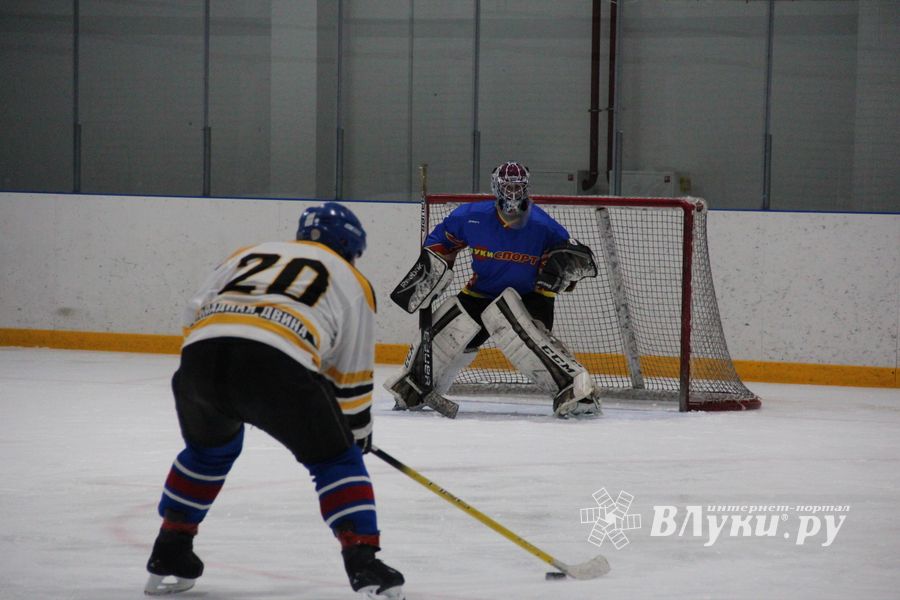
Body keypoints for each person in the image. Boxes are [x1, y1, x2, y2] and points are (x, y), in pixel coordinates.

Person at [144, 202, 405, 600]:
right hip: (276, 364)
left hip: (200, 358)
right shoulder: (352, 278)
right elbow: (350, 374)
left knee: (207, 452)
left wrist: (207, 364)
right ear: (352, 247)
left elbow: (194, 309)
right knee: (335, 460)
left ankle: (170, 551)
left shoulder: (247, 253)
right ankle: (363, 563)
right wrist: (356, 433)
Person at [385, 161, 601, 418]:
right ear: (496, 187)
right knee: (449, 325)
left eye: (517, 187)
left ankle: (576, 389)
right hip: (481, 293)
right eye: (507, 186)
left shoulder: (545, 227)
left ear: (526, 188)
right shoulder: (471, 217)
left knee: (520, 330)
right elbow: (441, 244)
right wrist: (431, 272)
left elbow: (569, 268)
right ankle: (415, 385)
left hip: (531, 297)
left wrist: (563, 273)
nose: (512, 193)